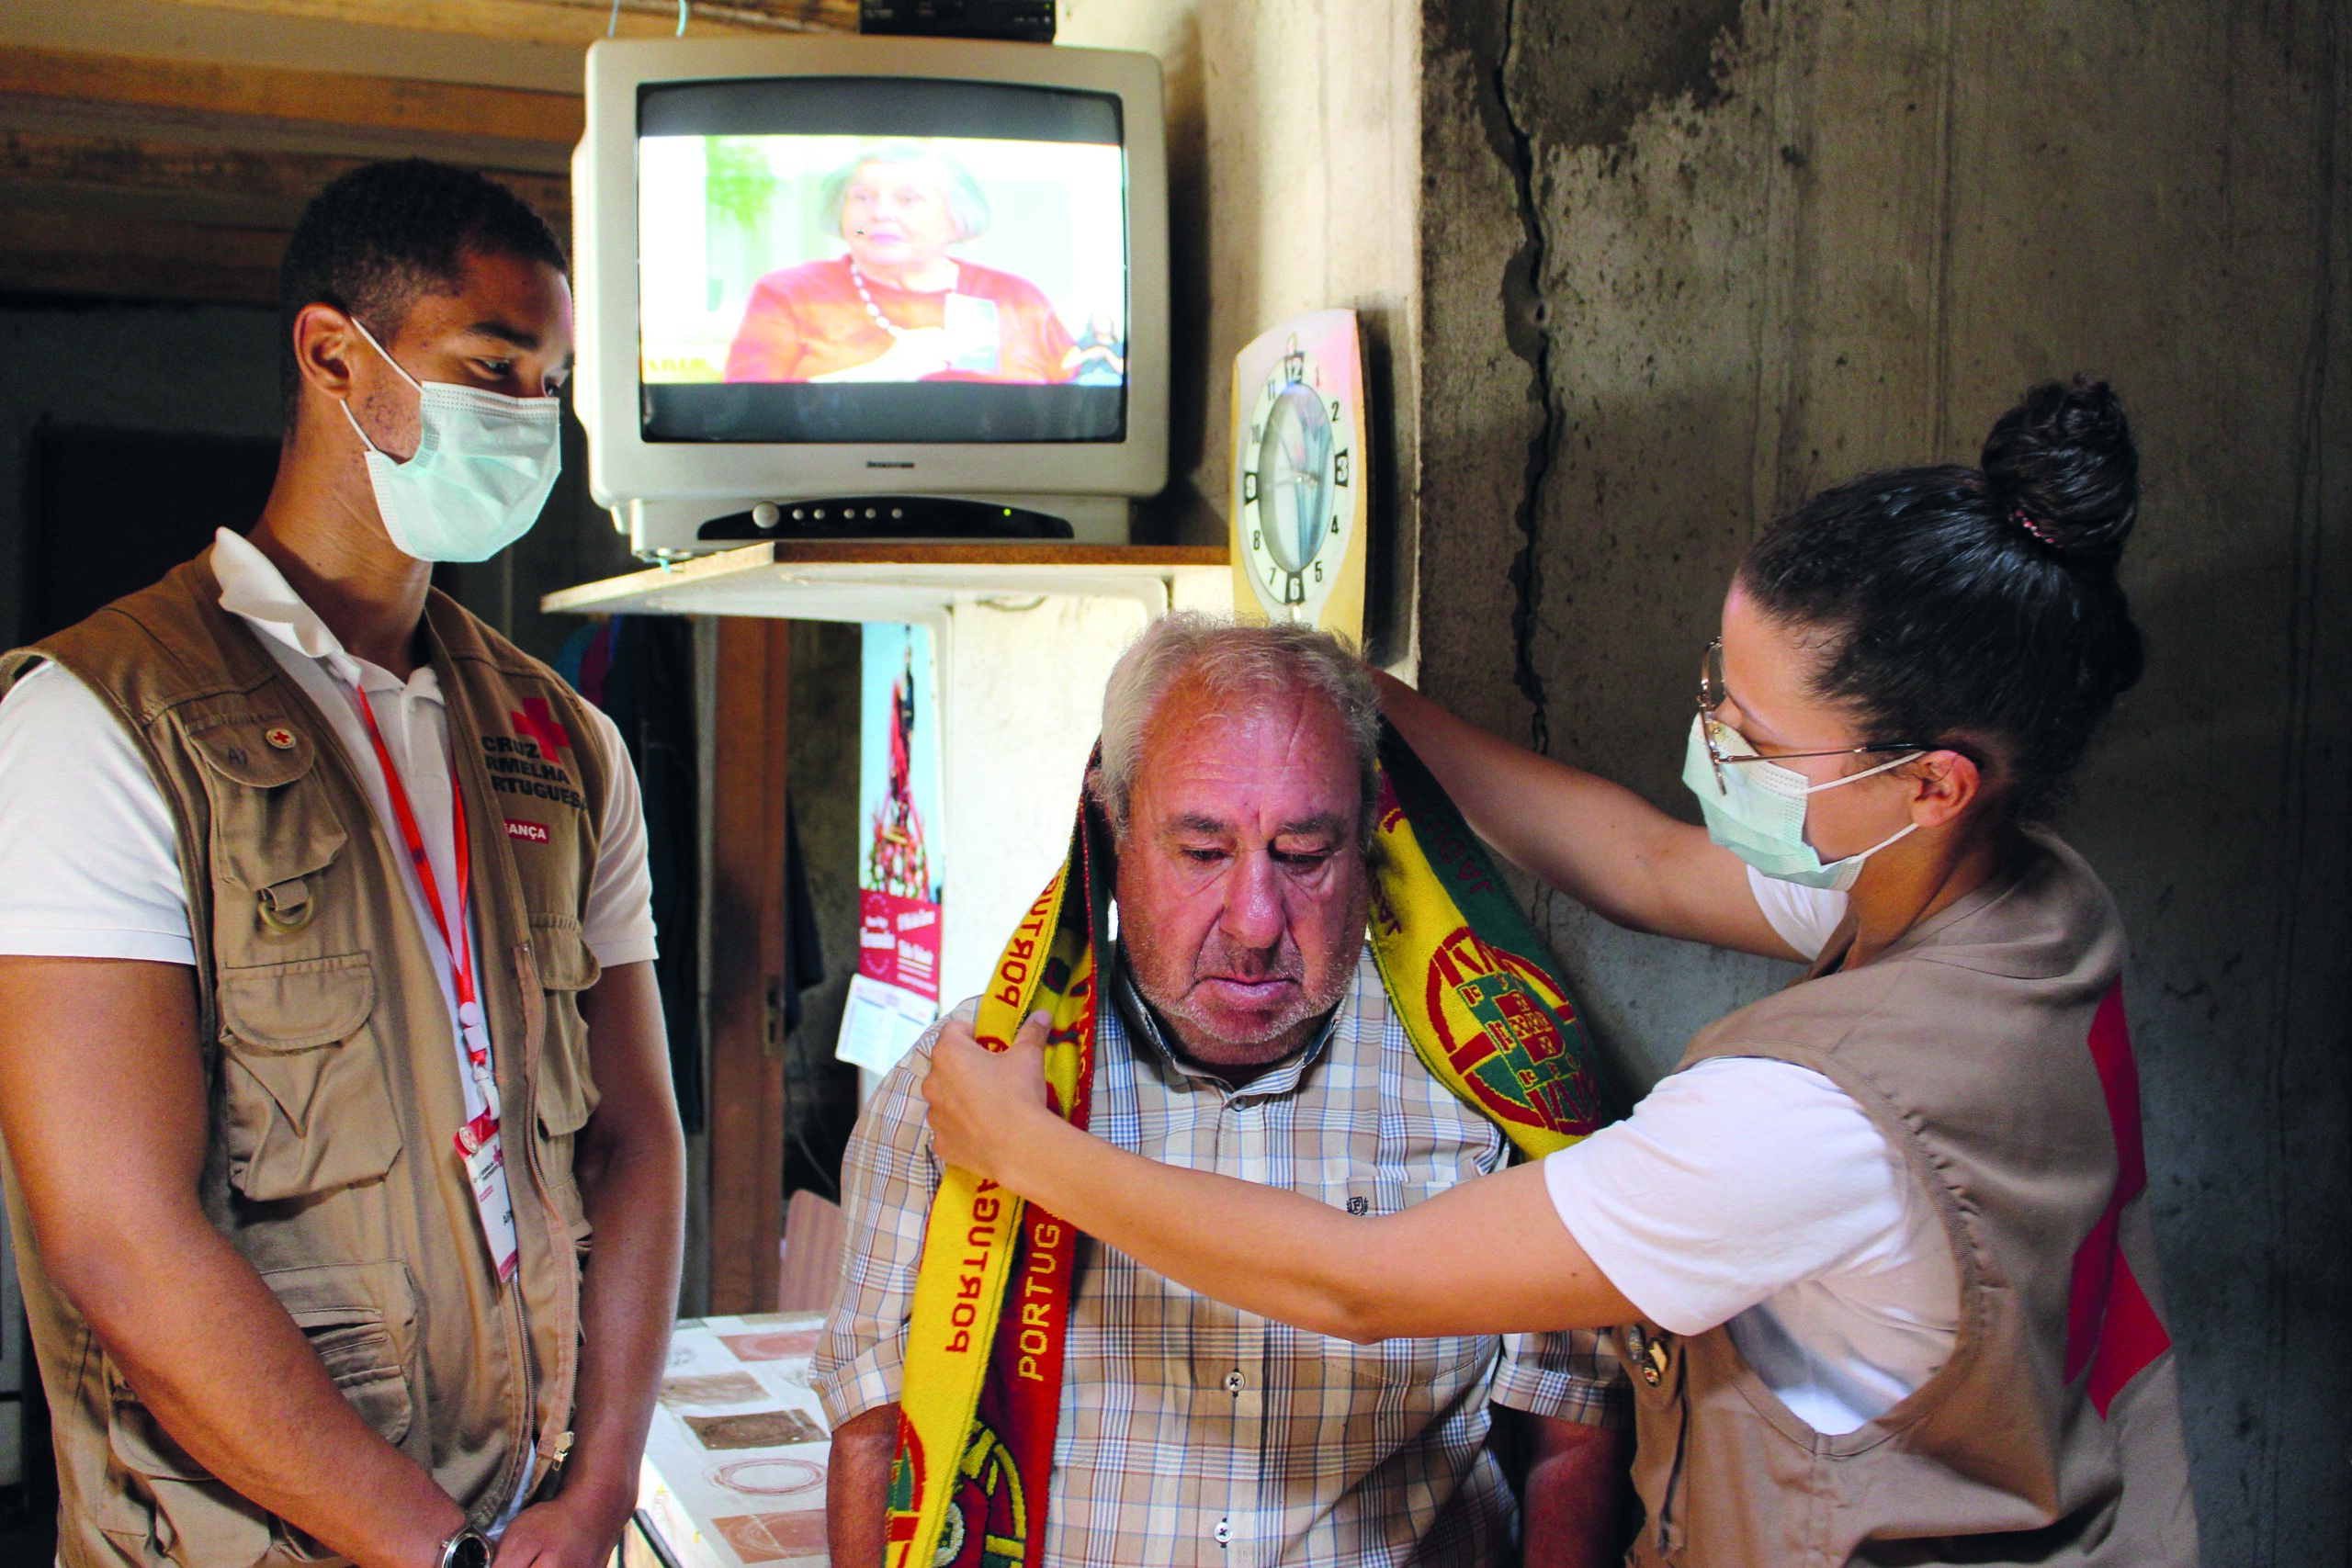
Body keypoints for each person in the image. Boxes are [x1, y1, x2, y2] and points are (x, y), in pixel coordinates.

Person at [925, 379, 2199, 1565]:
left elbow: (1360, 1283)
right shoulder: (2027, 901)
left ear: (1932, 780)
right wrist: (1349, 697)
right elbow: (1640, 859)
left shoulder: (1799, 1120)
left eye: (1753, 739)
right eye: (1718, 691)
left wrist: (1024, 1150)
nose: (1708, 745)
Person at [0, 159, 686, 1568]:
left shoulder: (564, 744)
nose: (527, 421)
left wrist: (603, 1486)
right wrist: (433, 1546)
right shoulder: (98, 720)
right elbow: (117, 1236)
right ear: (334, 356)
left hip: (531, 1517)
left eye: (550, 386)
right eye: (494, 367)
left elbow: (637, 1138)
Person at [816, 619, 1632, 1568]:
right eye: (1202, 853)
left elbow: (1571, 1434)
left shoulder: (1493, 1082)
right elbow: (877, 1432)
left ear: (1368, 834)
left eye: (1303, 854)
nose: (1254, 923)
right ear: (1109, 824)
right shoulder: (964, 1086)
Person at [722, 141, 1079, 385]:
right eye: (862, 198)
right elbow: (743, 414)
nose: (879, 215)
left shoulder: (1016, 298)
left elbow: (1077, 410)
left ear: (956, 218)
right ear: (841, 213)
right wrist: (883, 371)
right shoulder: (789, 294)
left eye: (908, 199)